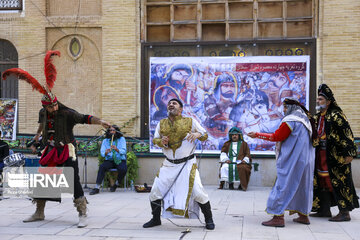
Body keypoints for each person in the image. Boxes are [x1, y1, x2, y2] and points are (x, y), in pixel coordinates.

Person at [2, 50, 111, 228]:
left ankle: (82, 213)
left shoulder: (67, 113)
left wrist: (102, 122)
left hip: (67, 149)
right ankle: (39, 212)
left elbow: (85, 117)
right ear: (44, 106)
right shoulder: (43, 113)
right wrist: (36, 139)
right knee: (42, 179)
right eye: (49, 106)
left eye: (54, 104)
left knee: (73, 180)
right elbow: (41, 126)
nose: (53, 107)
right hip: (51, 149)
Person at [143, 98, 215, 230]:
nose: (171, 104)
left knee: (198, 192)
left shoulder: (190, 121)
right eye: (169, 103)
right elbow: (155, 140)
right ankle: (155, 219)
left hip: (187, 164)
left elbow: (205, 135)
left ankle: (209, 219)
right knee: (155, 192)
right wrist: (162, 142)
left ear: (181, 109)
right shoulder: (162, 123)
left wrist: (197, 133)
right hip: (168, 164)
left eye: (174, 103)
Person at [248, 98, 315, 227]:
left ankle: (278, 217)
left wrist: (257, 134)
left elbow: (277, 136)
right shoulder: (307, 121)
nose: (283, 110)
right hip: (306, 161)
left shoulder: (291, 120)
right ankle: (303, 215)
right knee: (303, 186)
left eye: (285, 107)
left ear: (291, 108)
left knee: (282, 185)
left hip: (292, 160)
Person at [311, 84, 359, 221]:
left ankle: (344, 212)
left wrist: (349, 153)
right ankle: (324, 210)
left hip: (335, 156)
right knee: (322, 181)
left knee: (338, 182)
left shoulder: (337, 116)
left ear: (329, 101)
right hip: (321, 155)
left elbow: (347, 134)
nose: (318, 101)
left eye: (320, 99)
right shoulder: (317, 117)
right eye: (318, 99)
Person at [90, 125, 127, 195]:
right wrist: (106, 152)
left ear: (117, 132)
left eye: (113, 130)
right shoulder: (105, 141)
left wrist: (117, 149)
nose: (112, 132)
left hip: (119, 159)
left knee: (123, 169)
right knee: (102, 167)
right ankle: (97, 187)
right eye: (110, 131)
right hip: (110, 160)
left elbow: (124, 151)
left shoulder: (121, 139)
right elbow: (102, 153)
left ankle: (116, 184)